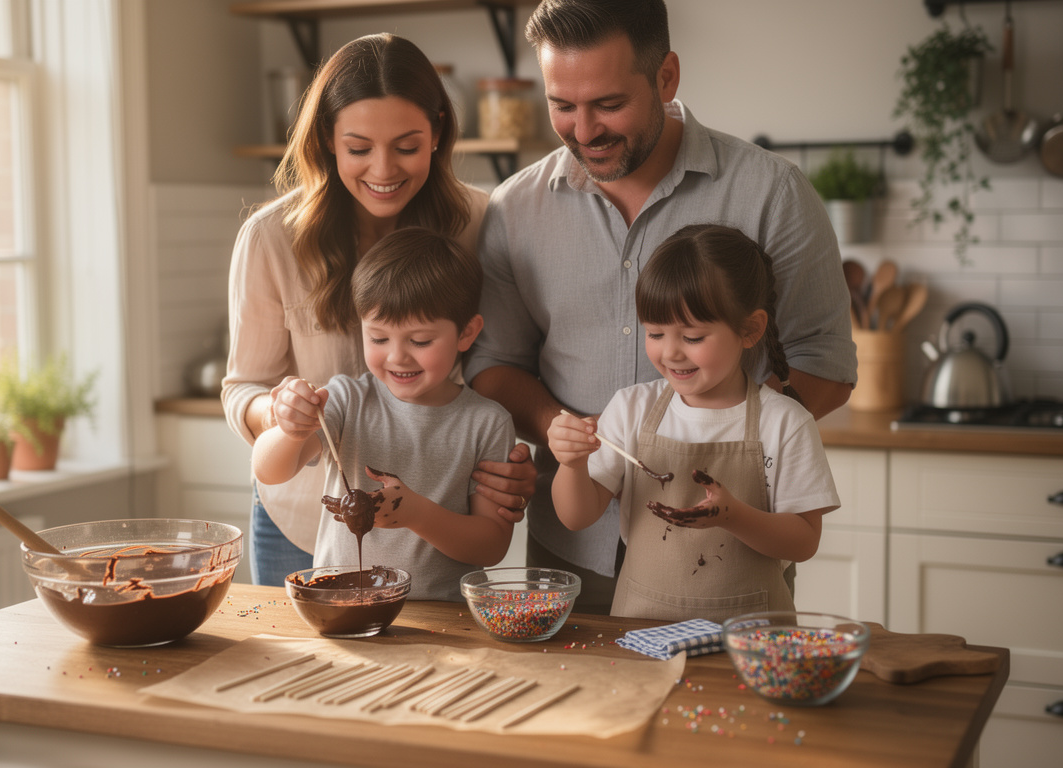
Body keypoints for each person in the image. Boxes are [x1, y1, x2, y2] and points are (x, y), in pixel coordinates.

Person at [464, 0, 856, 614]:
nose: (584, 130)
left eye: (609, 104)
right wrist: (569, 438)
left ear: (666, 77)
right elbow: (491, 365)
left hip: (733, 552)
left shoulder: (771, 193)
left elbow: (826, 367)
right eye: (562, 106)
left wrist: (722, 447)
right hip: (573, 548)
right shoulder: (515, 209)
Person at [222, 33, 535, 588]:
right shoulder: (271, 238)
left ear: (438, 132)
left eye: (407, 146)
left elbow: (502, 363)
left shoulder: (483, 222)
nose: (384, 169)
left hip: (436, 533)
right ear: (327, 140)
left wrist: (510, 462)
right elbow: (243, 387)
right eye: (359, 148)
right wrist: (284, 416)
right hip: (300, 522)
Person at [547, 224, 839, 621]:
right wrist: (572, 463)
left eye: (694, 337)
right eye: (655, 333)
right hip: (641, 630)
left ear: (750, 329)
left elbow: (804, 542)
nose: (670, 352)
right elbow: (575, 516)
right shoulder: (631, 409)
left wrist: (734, 516)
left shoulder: (785, 423)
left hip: (749, 641)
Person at [252, 228, 517, 601]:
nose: (397, 357)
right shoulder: (345, 399)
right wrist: (290, 428)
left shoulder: (487, 423)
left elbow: (490, 546)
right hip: (345, 606)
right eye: (378, 338)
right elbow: (268, 470)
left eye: (420, 341)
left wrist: (419, 515)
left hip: (446, 620)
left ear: (466, 333)